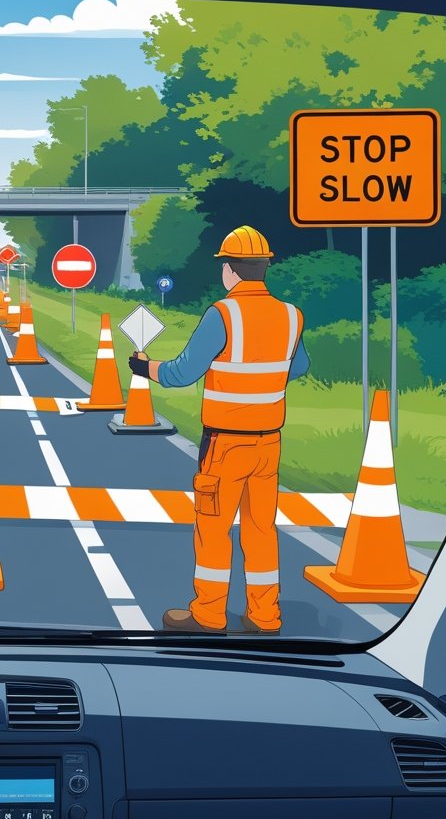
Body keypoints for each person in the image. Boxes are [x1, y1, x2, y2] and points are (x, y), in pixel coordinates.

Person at [128, 226, 309, 634]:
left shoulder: (222, 314)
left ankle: (208, 614)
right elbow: (298, 367)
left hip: (226, 443)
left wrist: (144, 367)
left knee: (213, 528)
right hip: (269, 443)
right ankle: (265, 616)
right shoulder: (291, 315)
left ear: (229, 270)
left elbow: (181, 373)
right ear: (264, 267)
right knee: (261, 529)